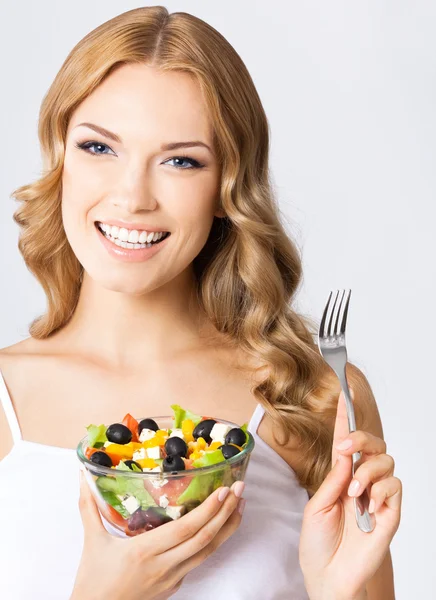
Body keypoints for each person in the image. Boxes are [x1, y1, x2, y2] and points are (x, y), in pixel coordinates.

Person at [0, 6, 402, 600]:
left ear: (226, 189)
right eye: (98, 148)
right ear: (60, 156)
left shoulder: (313, 398)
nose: (132, 196)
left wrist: (341, 589)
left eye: (180, 161)